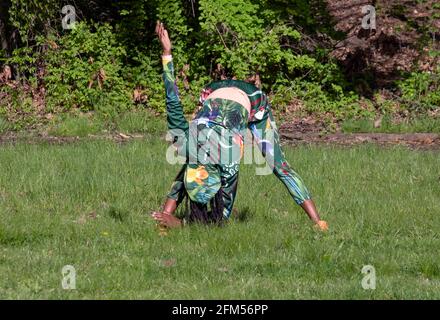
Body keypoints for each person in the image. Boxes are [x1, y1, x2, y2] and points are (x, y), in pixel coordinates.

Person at [152, 21, 328, 231]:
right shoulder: (185, 143)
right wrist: (166, 53)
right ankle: (163, 222)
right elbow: (171, 98)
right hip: (212, 93)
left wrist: (181, 225)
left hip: (253, 102)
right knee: (194, 163)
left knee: (278, 165)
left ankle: (319, 223)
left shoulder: (229, 159)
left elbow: (221, 219)